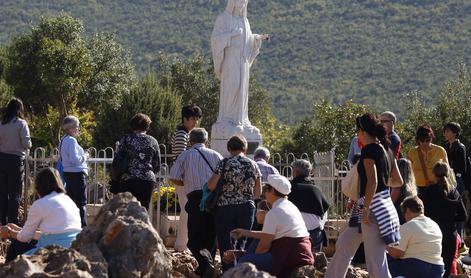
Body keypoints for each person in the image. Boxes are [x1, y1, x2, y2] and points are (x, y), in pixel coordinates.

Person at [325, 113, 403, 278]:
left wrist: (367, 206)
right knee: (344, 244)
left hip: (370, 209)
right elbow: (397, 181)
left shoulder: (368, 151)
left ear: (362, 131)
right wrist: (382, 186)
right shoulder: (387, 149)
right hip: (380, 206)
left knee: (376, 262)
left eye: (357, 131)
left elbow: (372, 182)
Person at [231, 174, 314, 278]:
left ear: (273, 191)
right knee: (255, 244)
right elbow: (269, 235)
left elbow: (263, 247)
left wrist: (250, 258)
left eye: (266, 189)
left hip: (289, 257)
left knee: (245, 262)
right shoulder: (290, 206)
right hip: (301, 253)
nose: (264, 193)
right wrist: (245, 232)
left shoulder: (274, 212)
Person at [169, 128, 222, 276]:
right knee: (211, 233)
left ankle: (204, 263)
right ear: (206, 141)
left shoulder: (185, 155)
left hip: (195, 197)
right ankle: (207, 263)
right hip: (212, 199)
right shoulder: (216, 155)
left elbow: (173, 176)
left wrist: (185, 182)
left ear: (190, 141)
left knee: (194, 235)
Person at [0, 168, 81, 261]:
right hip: (73, 249)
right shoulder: (68, 201)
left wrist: (9, 232)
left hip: (54, 251)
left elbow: (24, 237)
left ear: (38, 186)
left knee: (16, 245)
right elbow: (54, 234)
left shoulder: (40, 204)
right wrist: (19, 229)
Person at [207, 135, 262, 271]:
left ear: (229, 148)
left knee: (226, 243)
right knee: (242, 242)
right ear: (245, 148)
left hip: (225, 207)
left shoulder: (224, 163)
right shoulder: (253, 164)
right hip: (246, 208)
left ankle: (229, 272)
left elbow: (211, 186)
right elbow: (258, 192)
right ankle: (242, 271)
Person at [211, 0, 269, 126]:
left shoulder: (245, 21)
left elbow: (248, 39)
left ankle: (241, 119)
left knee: (242, 88)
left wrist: (257, 38)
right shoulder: (224, 19)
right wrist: (231, 35)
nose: (242, 4)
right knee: (233, 86)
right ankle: (227, 118)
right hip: (230, 60)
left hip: (243, 61)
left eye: (244, 2)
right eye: (240, 1)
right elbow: (215, 39)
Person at [419, 161, 467, 277]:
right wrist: (450, 218)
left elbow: (422, 212)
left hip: (432, 234)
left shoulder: (429, 191)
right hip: (450, 234)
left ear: (433, 174)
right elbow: (463, 215)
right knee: (445, 271)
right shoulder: (454, 192)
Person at [386, 196, 445, 277]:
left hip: (416, 267)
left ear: (407, 210)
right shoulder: (435, 225)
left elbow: (397, 253)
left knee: (387, 258)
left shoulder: (409, 225)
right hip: (437, 268)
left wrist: (386, 246)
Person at [171, 104, 202, 252]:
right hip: (183, 178)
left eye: (196, 119)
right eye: (192, 119)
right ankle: (182, 244)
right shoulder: (182, 134)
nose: (195, 122)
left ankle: (183, 242)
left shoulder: (184, 133)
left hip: (184, 178)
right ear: (185, 119)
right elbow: (181, 157)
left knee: (186, 210)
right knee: (186, 210)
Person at [115, 113, 160, 209]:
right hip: (147, 180)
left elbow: (118, 159)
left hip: (128, 179)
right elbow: (157, 164)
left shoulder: (126, 139)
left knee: (127, 211)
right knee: (143, 210)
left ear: (133, 125)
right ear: (147, 126)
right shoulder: (153, 141)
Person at [0, 98, 32, 225]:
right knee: (15, 193)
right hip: (15, 160)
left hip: (2, 159)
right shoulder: (21, 123)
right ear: (19, 109)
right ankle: (13, 222)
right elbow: (26, 143)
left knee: (2, 192)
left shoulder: (1, 124)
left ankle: (2, 220)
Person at [288, 159, 330, 252]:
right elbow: (325, 210)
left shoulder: (289, 188)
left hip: (295, 235)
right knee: (313, 264)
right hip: (315, 234)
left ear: (296, 172)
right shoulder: (315, 189)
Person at [60, 116, 89, 227]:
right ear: (71, 128)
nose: (78, 129)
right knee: (81, 202)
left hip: (67, 173)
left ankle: (71, 225)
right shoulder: (72, 141)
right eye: (77, 126)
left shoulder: (63, 140)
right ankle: (83, 226)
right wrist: (85, 156)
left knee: (71, 201)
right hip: (76, 173)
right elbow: (75, 159)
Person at [443, 122, 467, 251]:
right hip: (448, 181)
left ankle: (460, 241)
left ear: (454, 132)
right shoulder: (446, 146)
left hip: (456, 182)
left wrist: (453, 175)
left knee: (458, 209)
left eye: (448, 131)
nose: (445, 133)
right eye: (445, 131)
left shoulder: (460, 147)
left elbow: (462, 168)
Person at [407, 124, 448, 193]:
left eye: (428, 140)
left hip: (436, 188)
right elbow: (407, 171)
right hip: (417, 189)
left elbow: (447, 171)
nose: (425, 143)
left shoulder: (440, 150)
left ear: (431, 138)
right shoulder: (412, 152)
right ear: (418, 140)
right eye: (422, 141)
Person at [392, 158, 417, 224]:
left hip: (398, 216)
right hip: (408, 216)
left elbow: (391, 202)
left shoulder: (397, 186)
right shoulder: (411, 186)